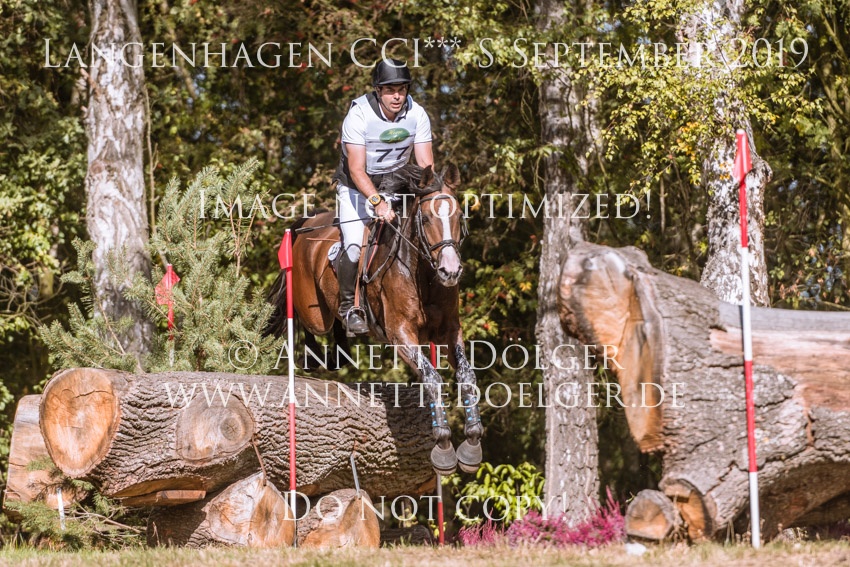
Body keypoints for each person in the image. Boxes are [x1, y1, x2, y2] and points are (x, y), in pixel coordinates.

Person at [333, 58, 434, 335]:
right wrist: (377, 202)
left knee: (425, 230)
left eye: (402, 89)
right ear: (378, 90)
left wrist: (433, 195)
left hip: (398, 183)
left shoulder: (417, 114)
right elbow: (356, 169)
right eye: (390, 90)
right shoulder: (358, 115)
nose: (397, 96)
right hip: (357, 188)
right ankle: (349, 308)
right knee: (354, 245)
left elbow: (425, 165)